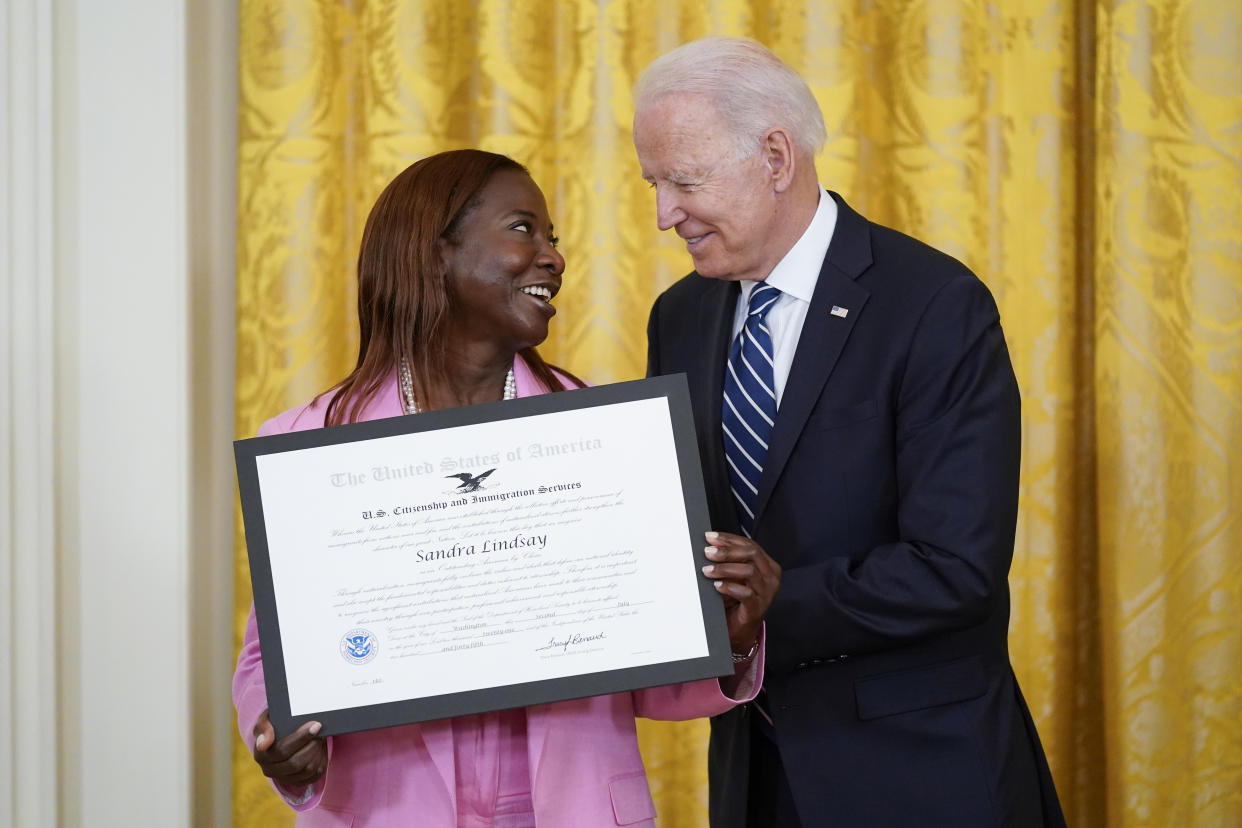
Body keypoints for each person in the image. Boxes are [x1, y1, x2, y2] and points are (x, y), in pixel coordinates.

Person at [232, 149, 780, 827]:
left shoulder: (608, 433)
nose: (553, 257)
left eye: (554, 238)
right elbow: (272, 652)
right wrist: (278, 731)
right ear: (434, 253)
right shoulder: (307, 441)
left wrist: (728, 636)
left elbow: (653, 675)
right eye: (525, 229)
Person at [635, 38, 1065, 828]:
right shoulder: (681, 316)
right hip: (754, 776)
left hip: (918, 772)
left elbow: (958, 567)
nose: (665, 214)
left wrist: (782, 598)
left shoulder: (933, 304)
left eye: (684, 181)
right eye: (654, 184)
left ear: (774, 156)